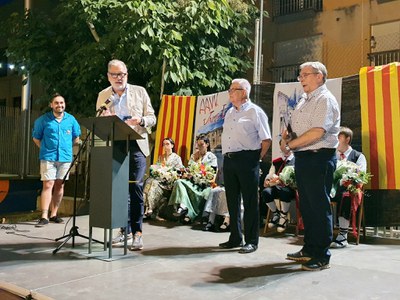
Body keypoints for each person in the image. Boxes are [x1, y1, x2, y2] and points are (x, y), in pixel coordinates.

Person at [280, 61, 340, 271]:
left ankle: (322, 255)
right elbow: (293, 128)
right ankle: (309, 248)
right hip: (304, 157)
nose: (301, 78)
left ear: (319, 77)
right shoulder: (304, 100)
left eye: (306, 74)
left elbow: (317, 132)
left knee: (319, 206)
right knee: (307, 205)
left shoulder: (325, 99)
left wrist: (290, 145)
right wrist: (286, 139)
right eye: (300, 75)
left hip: (319, 157)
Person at [96, 59, 156, 250]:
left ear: (127, 75)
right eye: (115, 75)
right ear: (108, 76)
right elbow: (98, 120)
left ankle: (137, 232)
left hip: (137, 144)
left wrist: (142, 120)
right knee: (119, 191)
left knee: (135, 188)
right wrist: (103, 120)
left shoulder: (139, 92)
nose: (119, 78)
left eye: (122, 74)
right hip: (116, 145)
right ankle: (124, 230)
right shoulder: (103, 95)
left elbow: (152, 117)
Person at [220, 78, 271, 254]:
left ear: (243, 92)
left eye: (232, 89)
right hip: (229, 159)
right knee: (232, 201)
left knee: (250, 201)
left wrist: (255, 158)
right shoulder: (229, 113)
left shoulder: (255, 112)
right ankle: (235, 237)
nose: (229, 92)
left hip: (248, 159)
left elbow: (266, 139)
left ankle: (251, 240)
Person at [32, 93, 81, 227]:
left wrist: (66, 148)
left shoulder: (71, 120)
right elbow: (36, 138)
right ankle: (44, 215)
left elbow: (76, 137)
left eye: (61, 103)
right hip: (48, 157)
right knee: (48, 184)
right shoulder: (43, 120)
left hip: (65, 158)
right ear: (51, 105)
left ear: (64, 104)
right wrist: (45, 148)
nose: (60, 105)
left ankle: (54, 214)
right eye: (56, 103)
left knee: (60, 184)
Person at [330, 126, 367, 248]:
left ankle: (343, 235)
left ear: (347, 139)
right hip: (332, 189)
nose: (335, 139)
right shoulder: (332, 155)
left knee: (345, 194)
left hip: (350, 190)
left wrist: (348, 178)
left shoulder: (358, 156)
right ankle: (323, 232)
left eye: (338, 137)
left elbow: (361, 175)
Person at [168, 135, 217, 224]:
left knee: (206, 193)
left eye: (201, 144)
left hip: (205, 183)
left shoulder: (211, 157)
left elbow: (212, 172)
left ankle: (190, 215)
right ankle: (183, 206)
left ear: (207, 144)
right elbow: (189, 168)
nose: (199, 147)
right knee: (179, 182)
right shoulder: (194, 156)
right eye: (198, 145)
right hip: (193, 181)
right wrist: (187, 173)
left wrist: (202, 175)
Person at [143, 137, 183, 219]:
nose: (165, 146)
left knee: (153, 183)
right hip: (159, 179)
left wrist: (169, 173)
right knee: (148, 181)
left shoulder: (176, 158)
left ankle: (150, 207)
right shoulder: (161, 157)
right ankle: (146, 206)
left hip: (169, 182)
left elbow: (180, 171)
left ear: (172, 145)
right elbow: (157, 168)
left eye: (167, 144)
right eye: (164, 144)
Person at [261, 150, 295, 233]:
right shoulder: (277, 161)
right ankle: (276, 213)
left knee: (284, 191)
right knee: (266, 192)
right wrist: (268, 180)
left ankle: (283, 216)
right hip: (276, 187)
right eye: (282, 146)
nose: (285, 149)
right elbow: (270, 174)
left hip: (290, 188)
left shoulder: (296, 160)